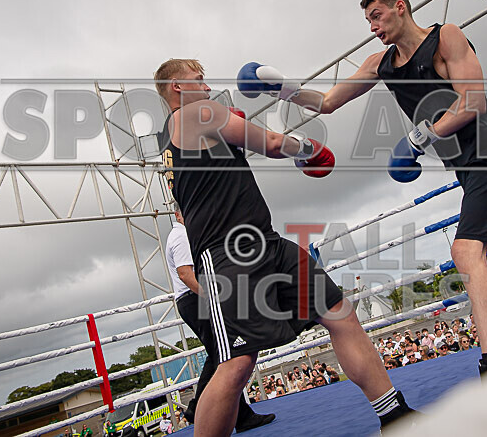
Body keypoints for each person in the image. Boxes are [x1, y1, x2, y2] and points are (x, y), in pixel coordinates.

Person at [238, 0, 487, 380]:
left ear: (400, 7)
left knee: (465, 252)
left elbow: (472, 100)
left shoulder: (447, 37)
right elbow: (327, 103)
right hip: (467, 166)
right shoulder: (380, 63)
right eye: (368, 20)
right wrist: (283, 87)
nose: (373, 27)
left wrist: (421, 136)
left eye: (377, 15)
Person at [155, 59, 416, 437]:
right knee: (237, 364)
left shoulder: (176, 135)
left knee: (338, 313)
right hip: (229, 257)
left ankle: (394, 414)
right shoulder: (197, 112)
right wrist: (308, 148)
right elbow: (273, 143)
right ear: (177, 88)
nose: (207, 86)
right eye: (199, 80)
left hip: (269, 242)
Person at [165, 207, 275, 433]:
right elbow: (186, 273)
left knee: (221, 354)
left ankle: (241, 415)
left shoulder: (181, 235)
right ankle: (198, 407)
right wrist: (210, 295)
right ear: (178, 214)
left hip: (192, 300)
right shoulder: (181, 236)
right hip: (194, 299)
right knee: (221, 354)